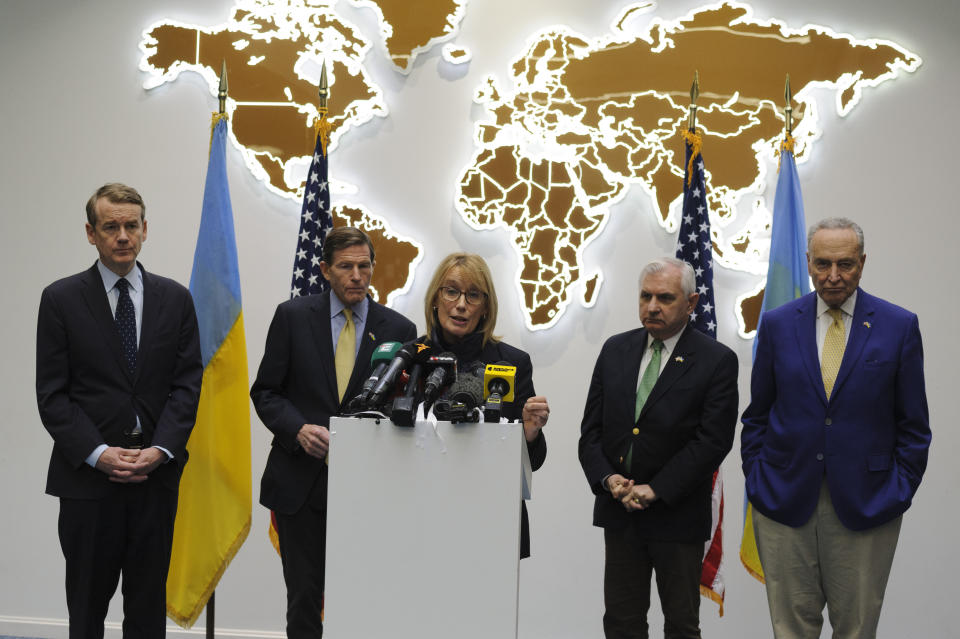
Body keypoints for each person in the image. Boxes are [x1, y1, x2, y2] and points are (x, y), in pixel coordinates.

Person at [741, 217, 930, 639]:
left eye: (845, 264)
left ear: (862, 263)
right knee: (790, 629)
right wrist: (758, 475)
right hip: (784, 499)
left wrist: (899, 489)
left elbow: (914, 425)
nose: (832, 276)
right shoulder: (776, 324)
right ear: (808, 262)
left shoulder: (898, 326)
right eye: (822, 264)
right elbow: (758, 414)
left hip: (868, 504)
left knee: (857, 629)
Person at [35, 183, 203, 638]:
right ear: (91, 234)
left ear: (145, 230)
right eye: (111, 226)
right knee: (86, 611)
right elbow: (52, 396)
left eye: (131, 225)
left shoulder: (176, 299)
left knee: (148, 613)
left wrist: (162, 448)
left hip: (155, 479)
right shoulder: (61, 299)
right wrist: (98, 452)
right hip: (88, 483)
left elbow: (187, 387)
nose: (122, 235)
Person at [251, 226, 417, 638]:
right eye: (346, 267)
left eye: (364, 266)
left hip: (370, 490)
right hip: (301, 484)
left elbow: (406, 407)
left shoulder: (400, 330)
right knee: (304, 601)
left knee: (364, 598)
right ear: (325, 269)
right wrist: (298, 429)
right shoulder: (292, 317)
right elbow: (266, 391)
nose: (356, 275)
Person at [578, 257, 738, 639]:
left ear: (692, 302)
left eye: (665, 298)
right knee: (621, 622)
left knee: (681, 625)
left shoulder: (716, 360)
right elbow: (591, 434)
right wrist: (608, 478)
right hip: (620, 513)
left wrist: (657, 488)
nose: (652, 306)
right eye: (645, 296)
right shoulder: (615, 350)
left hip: (677, 515)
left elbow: (713, 440)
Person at [422, 252, 549, 558]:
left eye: (473, 295)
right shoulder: (413, 358)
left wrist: (529, 433)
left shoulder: (512, 362)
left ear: (486, 307)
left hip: (492, 520)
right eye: (451, 291)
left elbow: (535, 460)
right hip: (422, 515)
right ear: (436, 299)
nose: (461, 304)